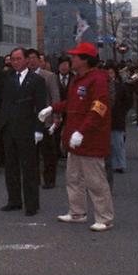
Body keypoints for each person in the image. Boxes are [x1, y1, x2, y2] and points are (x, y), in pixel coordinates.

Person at [38, 42, 114, 231]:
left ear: (85, 60)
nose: (71, 60)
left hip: (90, 140)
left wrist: (82, 131)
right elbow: (71, 102)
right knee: (73, 179)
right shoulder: (77, 79)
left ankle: (105, 218)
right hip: (74, 140)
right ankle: (77, 212)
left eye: (75, 57)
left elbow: (99, 108)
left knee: (96, 181)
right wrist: (52, 108)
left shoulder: (97, 79)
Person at [0, 39, 46, 216]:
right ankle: (14, 200)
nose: (15, 62)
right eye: (13, 59)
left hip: (27, 130)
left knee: (28, 168)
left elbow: (41, 107)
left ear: (27, 60)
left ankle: (32, 204)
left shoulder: (37, 80)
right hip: (8, 128)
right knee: (11, 167)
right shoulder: (7, 76)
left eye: (18, 58)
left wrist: (39, 129)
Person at [25, 48, 61, 189]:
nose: (31, 61)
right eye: (29, 58)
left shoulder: (49, 76)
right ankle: (34, 178)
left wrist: (56, 116)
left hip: (45, 120)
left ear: (40, 60)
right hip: (29, 120)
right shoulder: (24, 76)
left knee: (48, 153)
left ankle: (49, 179)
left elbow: (55, 97)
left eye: (34, 58)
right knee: (31, 153)